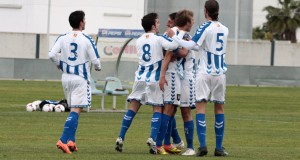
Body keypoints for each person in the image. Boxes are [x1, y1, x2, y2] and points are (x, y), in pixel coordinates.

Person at [166, 0, 229, 156]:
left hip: (204, 72)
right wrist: (190, 43)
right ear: (218, 11)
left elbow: (189, 46)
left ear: (205, 10)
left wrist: (175, 37)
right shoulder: (225, 29)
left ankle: (202, 146)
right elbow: (200, 45)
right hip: (220, 73)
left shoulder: (204, 27)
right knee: (219, 108)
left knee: (201, 107)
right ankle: (219, 148)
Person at [114, 12, 179, 154]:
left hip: (140, 78)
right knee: (157, 109)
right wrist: (174, 35)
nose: (159, 24)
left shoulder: (139, 40)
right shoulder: (159, 39)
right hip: (154, 78)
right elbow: (173, 46)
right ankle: (153, 139)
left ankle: (121, 137)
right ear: (153, 25)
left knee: (132, 109)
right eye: (157, 22)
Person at [49, 10, 101, 154]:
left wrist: (60, 64)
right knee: (76, 111)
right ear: (80, 22)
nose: (85, 22)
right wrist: (97, 67)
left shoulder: (62, 38)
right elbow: (96, 61)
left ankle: (71, 141)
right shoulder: (86, 39)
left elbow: (52, 54)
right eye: (84, 20)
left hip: (66, 78)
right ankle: (63, 139)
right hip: (80, 79)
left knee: (74, 109)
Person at [156, 9, 195, 155]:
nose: (193, 23)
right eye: (192, 21)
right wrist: (162, 75)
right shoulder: (178, 34)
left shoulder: (175, 33)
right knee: (169, 109)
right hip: (173, 75)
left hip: (176, 75)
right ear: (186, 22)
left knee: (171, 110)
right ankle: (160, 144)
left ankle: (165, 143)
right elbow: (173, 53)